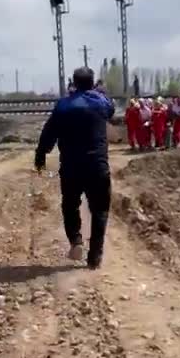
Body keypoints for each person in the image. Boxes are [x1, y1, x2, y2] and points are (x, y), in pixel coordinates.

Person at [35, 67, 115, 270]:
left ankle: (76, 241)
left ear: (73, 82)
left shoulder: (63, 105)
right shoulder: (101, 102)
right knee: (100, 210)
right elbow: (111, 110)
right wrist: (100, 91)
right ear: (92, 82)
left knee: (70, 205)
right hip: (97, 165)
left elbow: (49, 131)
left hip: (71, 167)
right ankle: (95, 257)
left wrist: (41, 154)